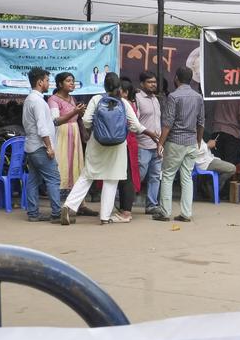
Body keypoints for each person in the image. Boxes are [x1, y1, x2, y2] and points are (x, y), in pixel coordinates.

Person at [62, 73, 155, 225]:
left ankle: (69, 205)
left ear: (104, 86)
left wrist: (96, 130)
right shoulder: (124, 103)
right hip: (118, 147)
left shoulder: (96, 99)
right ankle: (105, 217)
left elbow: (86, 121)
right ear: (119, 87)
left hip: (97, 144)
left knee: (87, 175)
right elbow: (136, 126)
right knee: (111, 179)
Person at [155, 66, 204, 222]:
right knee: (187, 177)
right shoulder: (198, 97)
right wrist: (198, 141)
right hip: (191, 142)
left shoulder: (174, 97)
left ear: (176, 78)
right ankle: (186, 213)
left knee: (168, 176)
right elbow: (201, 122)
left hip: (175, 142)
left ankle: (165, 212)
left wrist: (160, 143)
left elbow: (168, 123)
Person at [21, 68, 63, 223]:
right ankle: (57, 213)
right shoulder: (37, 101)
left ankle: (33, 214)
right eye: (46, 80)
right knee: (53, 179)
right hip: (40, 147)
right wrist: (49, 147)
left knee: (33, 180)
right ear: (40, 82)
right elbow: (42, 127)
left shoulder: (30, 99)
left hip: (31, 146)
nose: (48, 83)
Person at [48, 72, 89, 203]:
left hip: (74, 134)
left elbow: (75, 117)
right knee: (63, 166)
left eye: (73, 80)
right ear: (60, 84)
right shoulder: (53, 99)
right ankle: (60, 205)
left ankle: (77, 204)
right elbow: (55, 121)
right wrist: (75, 111)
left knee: (76, 167)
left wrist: (80, 112)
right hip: (62, 135)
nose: (72, 83)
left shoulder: (72, 98)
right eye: (68, 81)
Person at [114, 77, 143, 221]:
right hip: (130, 142)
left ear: (124, 92)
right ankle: (125, 209)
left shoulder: (125, 104)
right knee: (127, 176)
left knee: (126, 178)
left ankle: (126, 211)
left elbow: (134, 126)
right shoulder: (132, 104)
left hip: (126, 142)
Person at [134, 72, 163, 214]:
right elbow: (134, 123)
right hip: (143, 144)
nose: (153, 84)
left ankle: (151, 205)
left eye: (154, 82)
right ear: (142, 84)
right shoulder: (137, 98)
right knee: (139, 175)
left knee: (155, 176)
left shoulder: (155, 99)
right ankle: (123, 201)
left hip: (157, 144)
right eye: (150, 82)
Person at [211, 98, 240, 165]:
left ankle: (217, 176)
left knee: (216, 162)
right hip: (232, 132)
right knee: (229, 165)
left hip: (216, 131)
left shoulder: (217, 91)